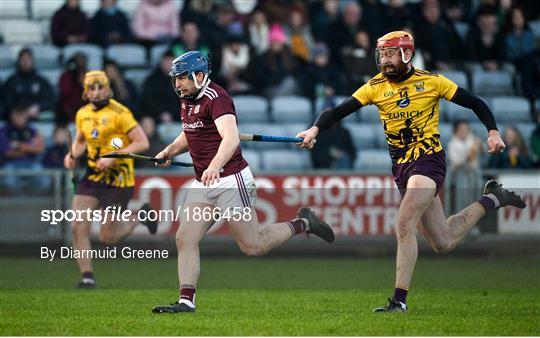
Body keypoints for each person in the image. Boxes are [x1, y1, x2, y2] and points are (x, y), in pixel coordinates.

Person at [297, 31, 526, 312]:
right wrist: (315, 128)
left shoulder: (431, 82)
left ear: (406, 54)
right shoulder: (375, 86)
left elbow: (475, 103)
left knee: (404, 222)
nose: (385, 60)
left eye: (391, 53)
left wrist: (492, 132)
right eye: (382, 54)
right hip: (401, 167)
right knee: (444, 242)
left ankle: (399, 300)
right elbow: (337, 112)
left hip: (428, 161)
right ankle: (493, 198)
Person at [151, 51, 334, 314]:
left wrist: (214, 166)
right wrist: (169, 151)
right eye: (176, 79)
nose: (178, 84)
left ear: (199, 76)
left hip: (230, 180)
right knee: (185, 238)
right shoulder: (186, 99)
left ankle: (304, 222)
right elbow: (190, 131)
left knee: (253, 246)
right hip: (204, 182)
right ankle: (186, 301)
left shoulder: (218, 98)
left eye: (182, 78)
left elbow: (230, 139)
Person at [63, 70, 155, 289]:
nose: (96, 92)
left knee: (108, 237)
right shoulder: (82, 113)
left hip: (118, 179)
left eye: (100, 87)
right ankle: (87, 277)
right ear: (85, 91)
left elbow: (142, 143)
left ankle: (139, 216)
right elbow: (80, 141)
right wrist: (72, 156)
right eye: (91, 88)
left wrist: (114, 157)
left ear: (108, 88)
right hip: (93, 176)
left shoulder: (120, 113)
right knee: (77, 226)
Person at [0, 105, 48, 193]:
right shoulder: (4, 130)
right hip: (10, 163)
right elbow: (7, 152)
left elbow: (40, 149)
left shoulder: (33, 130)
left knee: (44, 181)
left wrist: (19, 146)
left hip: (31, 162)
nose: (19, 118)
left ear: (26, 115)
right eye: (16, 114)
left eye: (21, 114)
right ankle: (16, 204)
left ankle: (34, 202)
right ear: (11, 115)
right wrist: (30, 148)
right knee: (9, 181)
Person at [3, 48, 55, 119]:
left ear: (32, 61)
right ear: (18, 61)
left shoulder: (41, 81)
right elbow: (7, 102)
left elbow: (49, 100)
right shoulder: (11, 81)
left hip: (37, 115)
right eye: (23, 59)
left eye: (28, 59)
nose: (25, 62)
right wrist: (22, 112)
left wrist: (38, 107)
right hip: (16, 117)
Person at [141, 50, 179, 123]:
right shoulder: (151, 80)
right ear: (161, 63)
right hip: (155, 116)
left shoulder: (182, 81)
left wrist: (172, 114)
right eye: (166, 62)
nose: (168, 65)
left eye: (171, 62)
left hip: (178, 116)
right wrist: (161, 113)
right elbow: (148, 101)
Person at [57, 53, 87, 123]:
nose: (81, 64)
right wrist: (72, 74)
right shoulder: (66, 77)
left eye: (83, 62)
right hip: (67, 115)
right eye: (78, 62)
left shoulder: (88, 76)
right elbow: (65, 92)